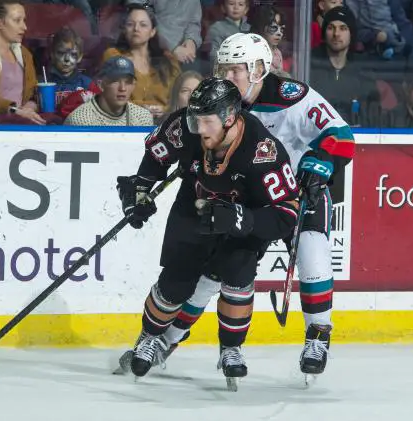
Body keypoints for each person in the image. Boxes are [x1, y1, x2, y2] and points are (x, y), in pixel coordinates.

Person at [143, 33, 356, 378]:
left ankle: (318, 333)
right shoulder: (220, 100)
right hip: (240, 198)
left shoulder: (291, 97)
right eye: (222, 69)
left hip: (294, 192)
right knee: (212, 272)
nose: (226, 78)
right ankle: (168, 338)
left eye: (235, 71)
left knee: (312, 249)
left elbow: (341, 136)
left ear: (258, 69)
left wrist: (320, 163)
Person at [115, 77, 299, 388]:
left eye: (206, 121)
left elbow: (287, 213)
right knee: (175, 281)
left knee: (238, 276)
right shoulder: (186, 126)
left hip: (245, 217)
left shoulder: (262, 151)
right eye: (194, 119)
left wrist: (244, 220)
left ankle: (231, 348)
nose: (198, 128)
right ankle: (149, 338)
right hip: (194, 209)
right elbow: (157, 155)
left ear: (230, 117)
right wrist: (141, 189)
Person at [102, 2, 180, 120]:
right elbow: (109, 96)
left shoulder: (168, 61)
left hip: (164, 124)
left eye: (143, 25)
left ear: (152, 31)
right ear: (124, 29)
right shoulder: (113, 57)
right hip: (125, 122)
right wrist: (140, 108)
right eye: (130, 24)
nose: (136, 29)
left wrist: (166, 110)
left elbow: (179, 97)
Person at [64, 56, 153, 126]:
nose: (122, 88)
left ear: (134, 85)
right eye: (115, 81)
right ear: (101, 85)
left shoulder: (143, 118)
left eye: (128, 82)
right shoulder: (81, 120)